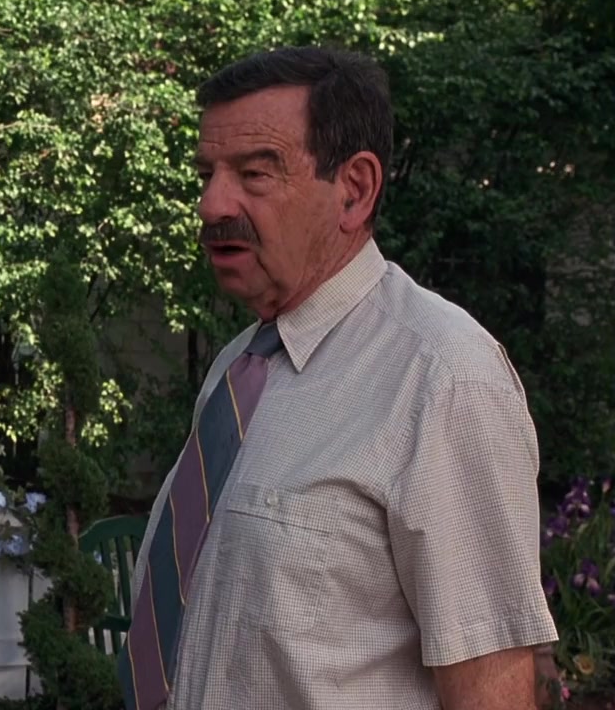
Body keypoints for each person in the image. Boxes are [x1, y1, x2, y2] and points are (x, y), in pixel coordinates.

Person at [118, 47, 558, 710]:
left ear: (353, 189)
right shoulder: (237, 370)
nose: (212, 204)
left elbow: (489, 690)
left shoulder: (444, 380)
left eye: (254, 173)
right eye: (207, 173)